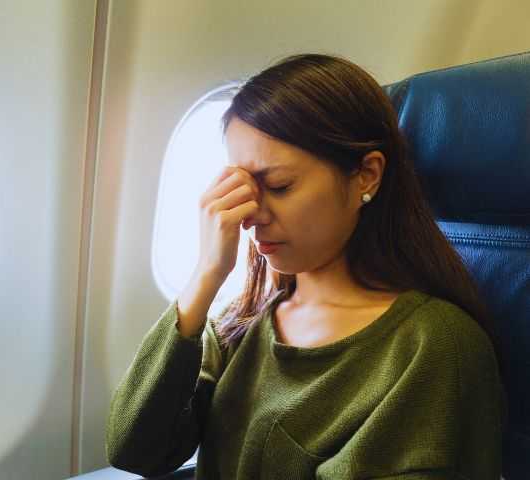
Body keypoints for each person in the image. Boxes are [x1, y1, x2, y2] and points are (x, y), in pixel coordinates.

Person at [105, 53, 507, 479]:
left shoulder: (433, 347)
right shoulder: (243, 320)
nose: (251, 212)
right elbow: (135, 451)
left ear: (366, 176)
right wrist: (205, 275)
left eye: (278, 186)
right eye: (241, 187)